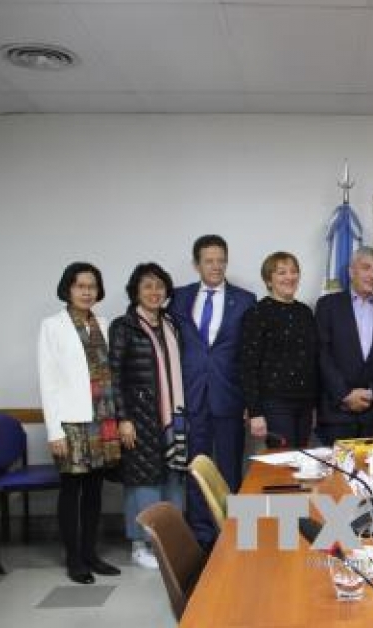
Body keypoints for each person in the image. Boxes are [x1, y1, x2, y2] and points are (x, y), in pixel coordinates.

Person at [169, 235, 256, 548]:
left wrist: (251, 401)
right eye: (209, 260)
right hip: (191, 397)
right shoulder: (177, 298)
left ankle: (230, 535)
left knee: (230, 469)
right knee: (195, 470)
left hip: (229, 397)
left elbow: (250, 354)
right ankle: (201, 536)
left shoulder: (246, 300)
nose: (216, 266)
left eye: (221, 260)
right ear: (197, 264)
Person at [38, 262, 121, 584]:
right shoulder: (52, 325)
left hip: (103, 420)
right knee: (71, 491)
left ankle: (91, 554)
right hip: (71, 423)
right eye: (80, 286)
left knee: (95, 491)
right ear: (68, 289)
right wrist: (53, 431)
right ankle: (74, 559)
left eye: (92, 286)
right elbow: (48, 381)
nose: (87, 291)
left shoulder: (103, 323)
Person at [108, 263, 186, 569]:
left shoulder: (171, 323)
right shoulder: (123, 326)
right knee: (142, 482)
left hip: (173, 418)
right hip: (138, 419)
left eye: (159, 286)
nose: (154, 292)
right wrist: (123, 418)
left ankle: (170, 540)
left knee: (172, 479)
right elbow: (113, 376)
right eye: (147, 287)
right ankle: (140, 544)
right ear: (136, 292)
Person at [315, 246, 373, 446]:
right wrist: (345, 394)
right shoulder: (327, 306)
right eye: (366, 268)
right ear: (351, 271)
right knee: (337, 475)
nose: (372, 274)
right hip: (337, 411)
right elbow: (322, 354)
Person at [241, 252, 318, 448]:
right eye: (281, 272)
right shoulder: (257, 313)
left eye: (294, 271)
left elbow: (312, 360)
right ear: (268, 280)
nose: (289, 277)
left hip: (306, 403)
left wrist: (316, 405)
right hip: (275, 404)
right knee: (283, 465)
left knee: (302, 463)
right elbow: (248, 366)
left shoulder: (306, 312)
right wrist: (255, 412)